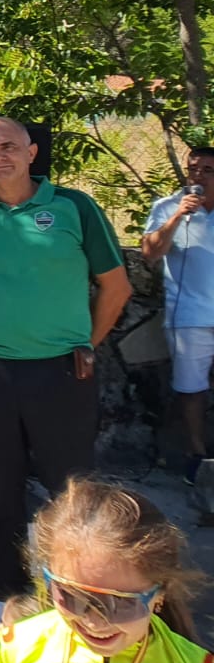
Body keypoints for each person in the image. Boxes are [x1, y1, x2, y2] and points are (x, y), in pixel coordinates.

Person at [0, 117, 132, 639]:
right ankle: (2, 597)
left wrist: (87, 344)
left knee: (72, 492)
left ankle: (75, 598)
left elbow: (116, 287)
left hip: (61, 370)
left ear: (32, 152)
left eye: (8, 145)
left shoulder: (74, 208)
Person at [0, 478, 213, 663]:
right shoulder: (17, 649)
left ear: (160, 593)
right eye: (71, 596)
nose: (96, 622)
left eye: (121, 603)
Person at [140, 146, 214, 487]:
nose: (198, 176)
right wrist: (176, 218)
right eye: (193, 169)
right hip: (189, 317)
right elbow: (150, 254)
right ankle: (197, 460)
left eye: (207, 170)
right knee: (190, 390)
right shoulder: (168, 207)